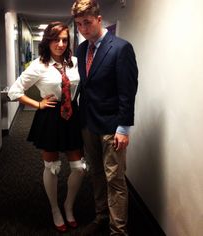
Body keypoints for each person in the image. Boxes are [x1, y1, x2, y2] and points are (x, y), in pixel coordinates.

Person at [8, 21, 87, 233]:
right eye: (56, 40)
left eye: (64, 40)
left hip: (72, 116)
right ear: (48, 41)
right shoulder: (38, 65)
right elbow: (14, 91)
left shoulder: (75, 62)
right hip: (50, 117)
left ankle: (68, 206)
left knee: (79, 168)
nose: (60, 44)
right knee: (51, 167)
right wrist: (38, 104)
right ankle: (55, 209)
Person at [71, 1, 138, 235]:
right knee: (96, 173)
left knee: (115, 180)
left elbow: (127, 91)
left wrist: (124, 128)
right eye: (79, 24)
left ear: (99, 19)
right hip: (88, 123)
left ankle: (118, 230)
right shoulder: (81, 50)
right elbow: (87, 87)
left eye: (87, 23)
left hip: (112, 125)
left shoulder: (121, 48)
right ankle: (101, 216)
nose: (83, 29)